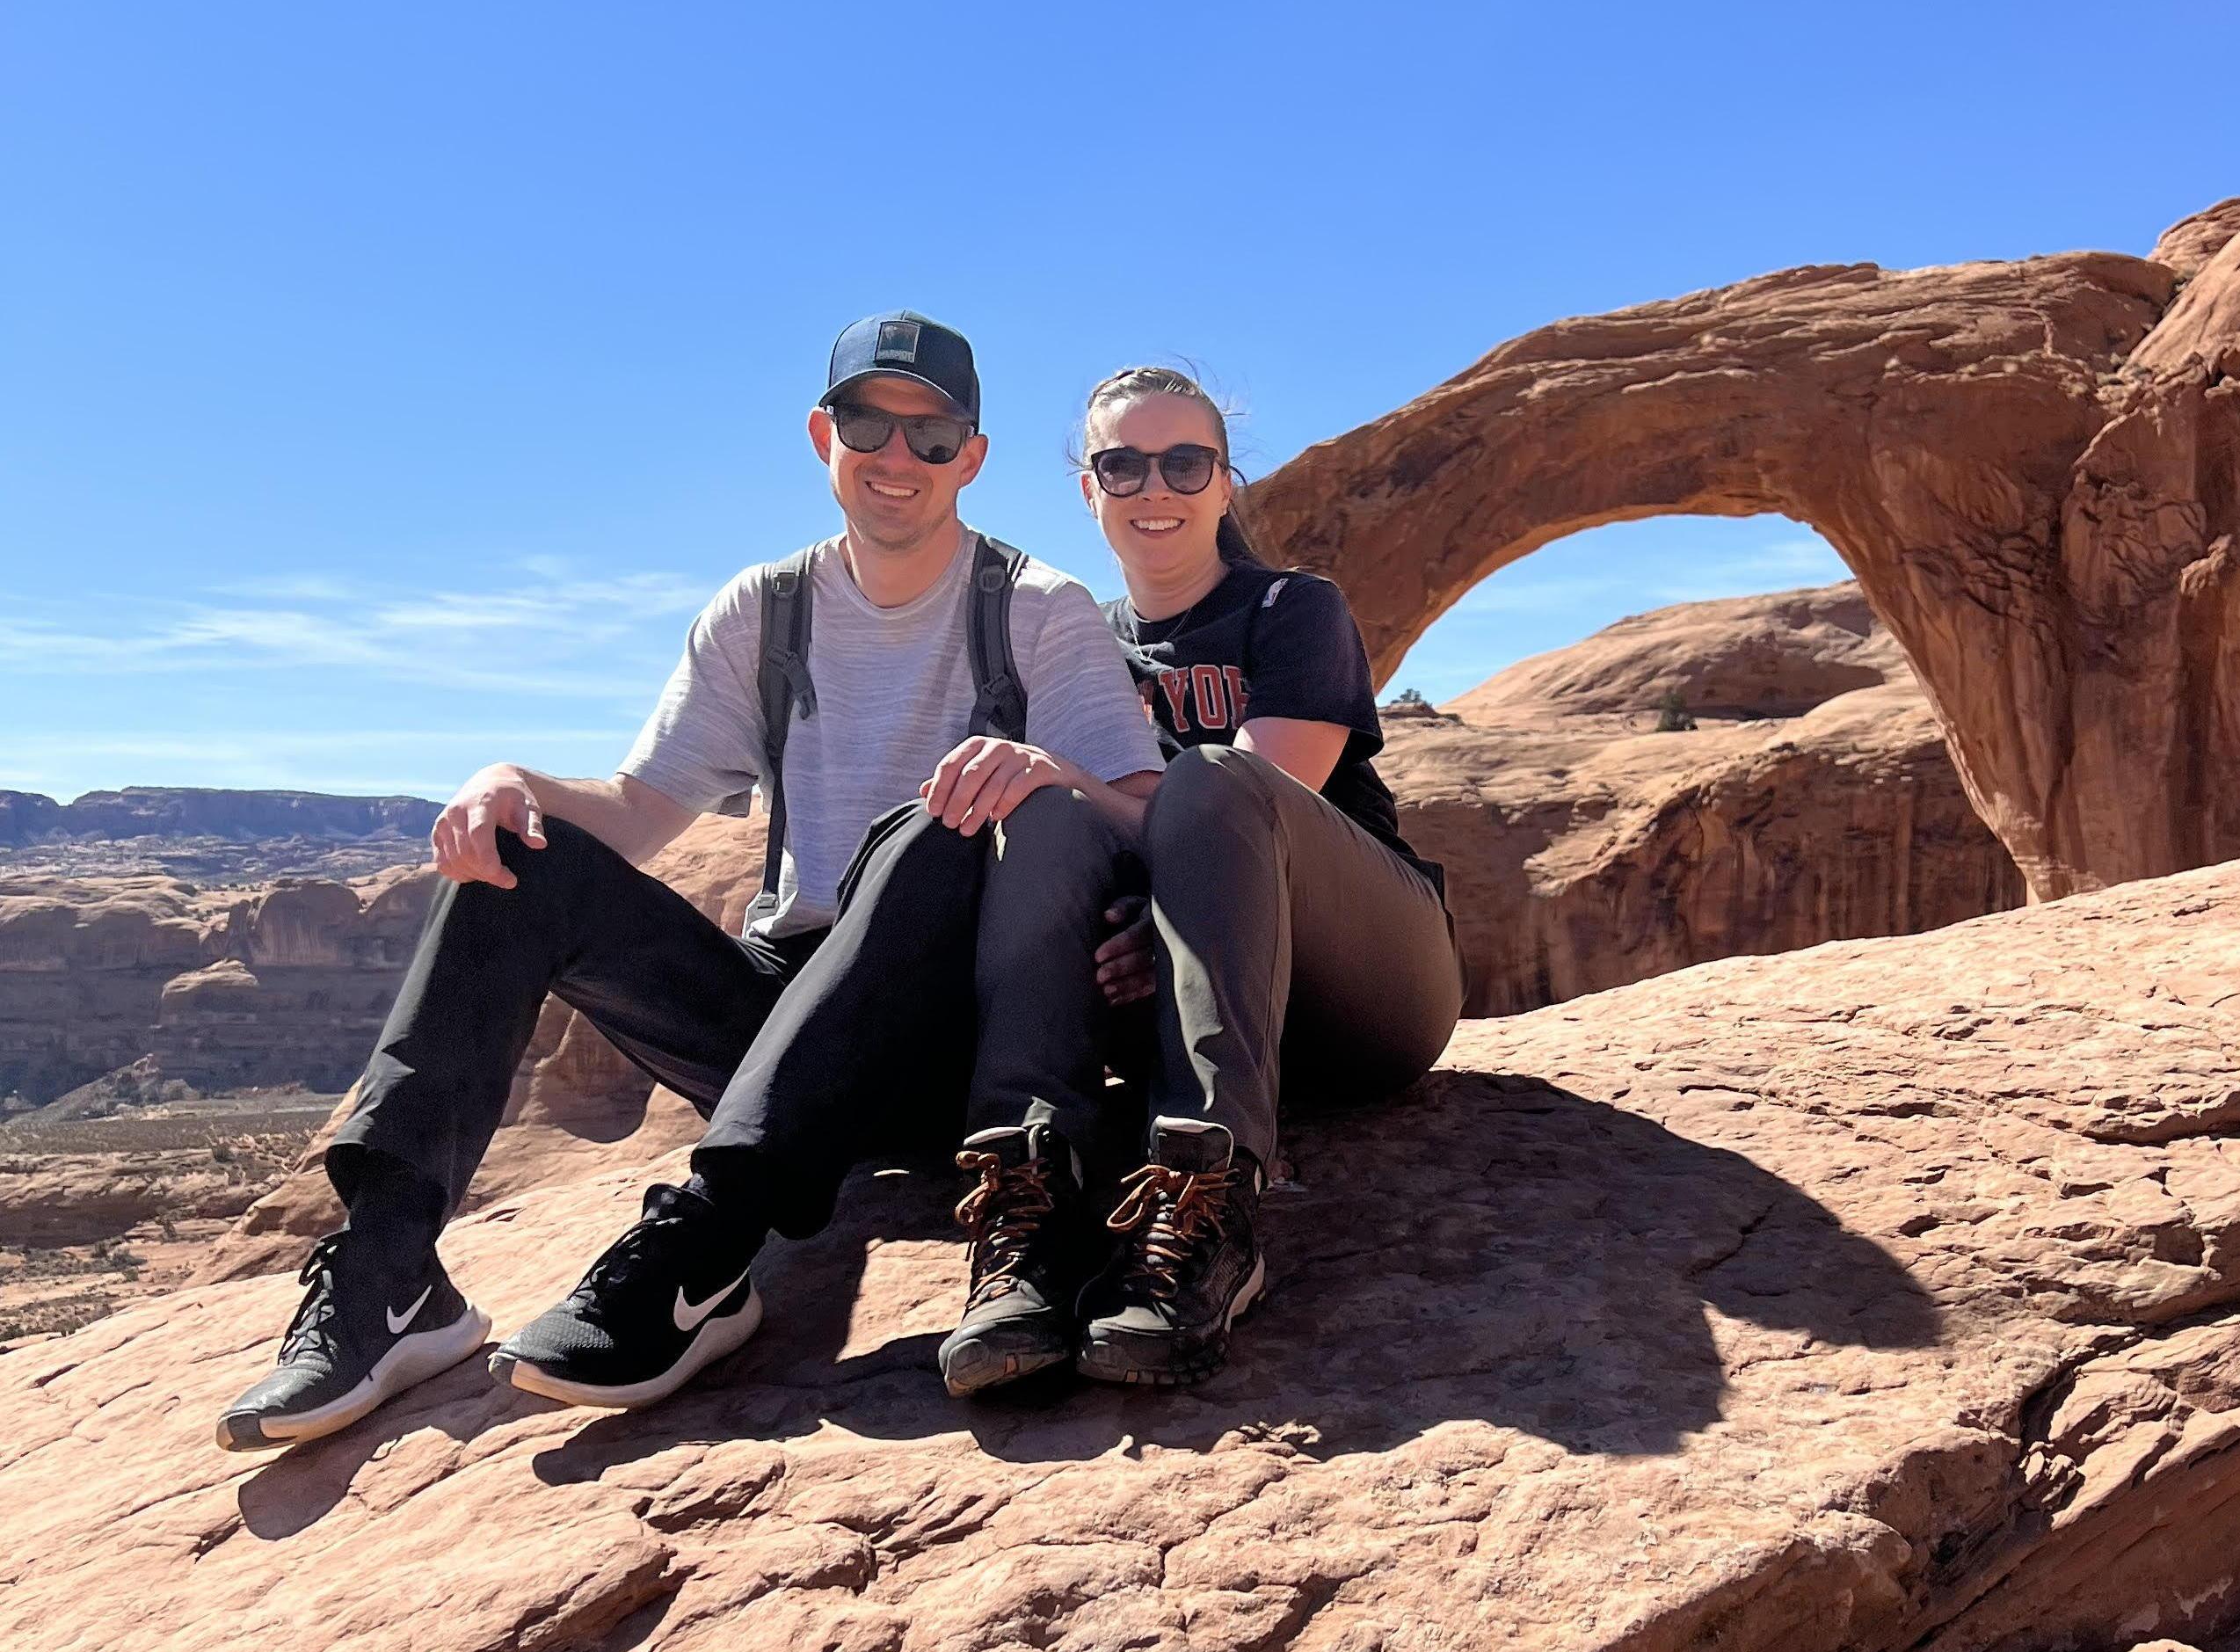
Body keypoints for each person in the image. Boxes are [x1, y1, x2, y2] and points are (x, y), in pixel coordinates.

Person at [215, 311, 1166, 1451]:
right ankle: (388, 1271)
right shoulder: (763, 613)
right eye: (869, 421)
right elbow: (638, 809)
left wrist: (1048, 769)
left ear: (971, 455)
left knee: (936, 821)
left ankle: (707, 1245)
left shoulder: (1036, 608)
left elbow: (1147, 811)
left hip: (948, 1036)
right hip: (781, 1017)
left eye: (930, 433)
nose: (896, 455)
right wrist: (509, 777)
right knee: (522, 858)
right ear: (824, 433)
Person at [1062, 364, 1463, 1386]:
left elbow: (1255, 795)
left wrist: (1081, 802)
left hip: (1370, 992)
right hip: (1205, 1007)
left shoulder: (1293, 608)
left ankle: (1218, 1209)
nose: (1156, 488)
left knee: (1213, 780)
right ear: (1089, 487)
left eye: (1185, 461)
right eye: (1123, 464)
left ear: (1224, 484)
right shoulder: (1072, 646)